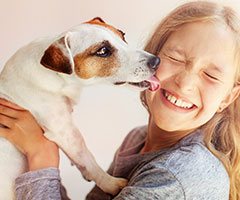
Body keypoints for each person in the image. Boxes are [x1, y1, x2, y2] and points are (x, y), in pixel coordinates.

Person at [0, 1, 240, 199]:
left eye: (210, 75)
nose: (185, 84)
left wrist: (41, 155)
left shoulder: (178, 178)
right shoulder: (137, 140)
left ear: (229, 96)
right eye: (175, 58)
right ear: (153, 55)